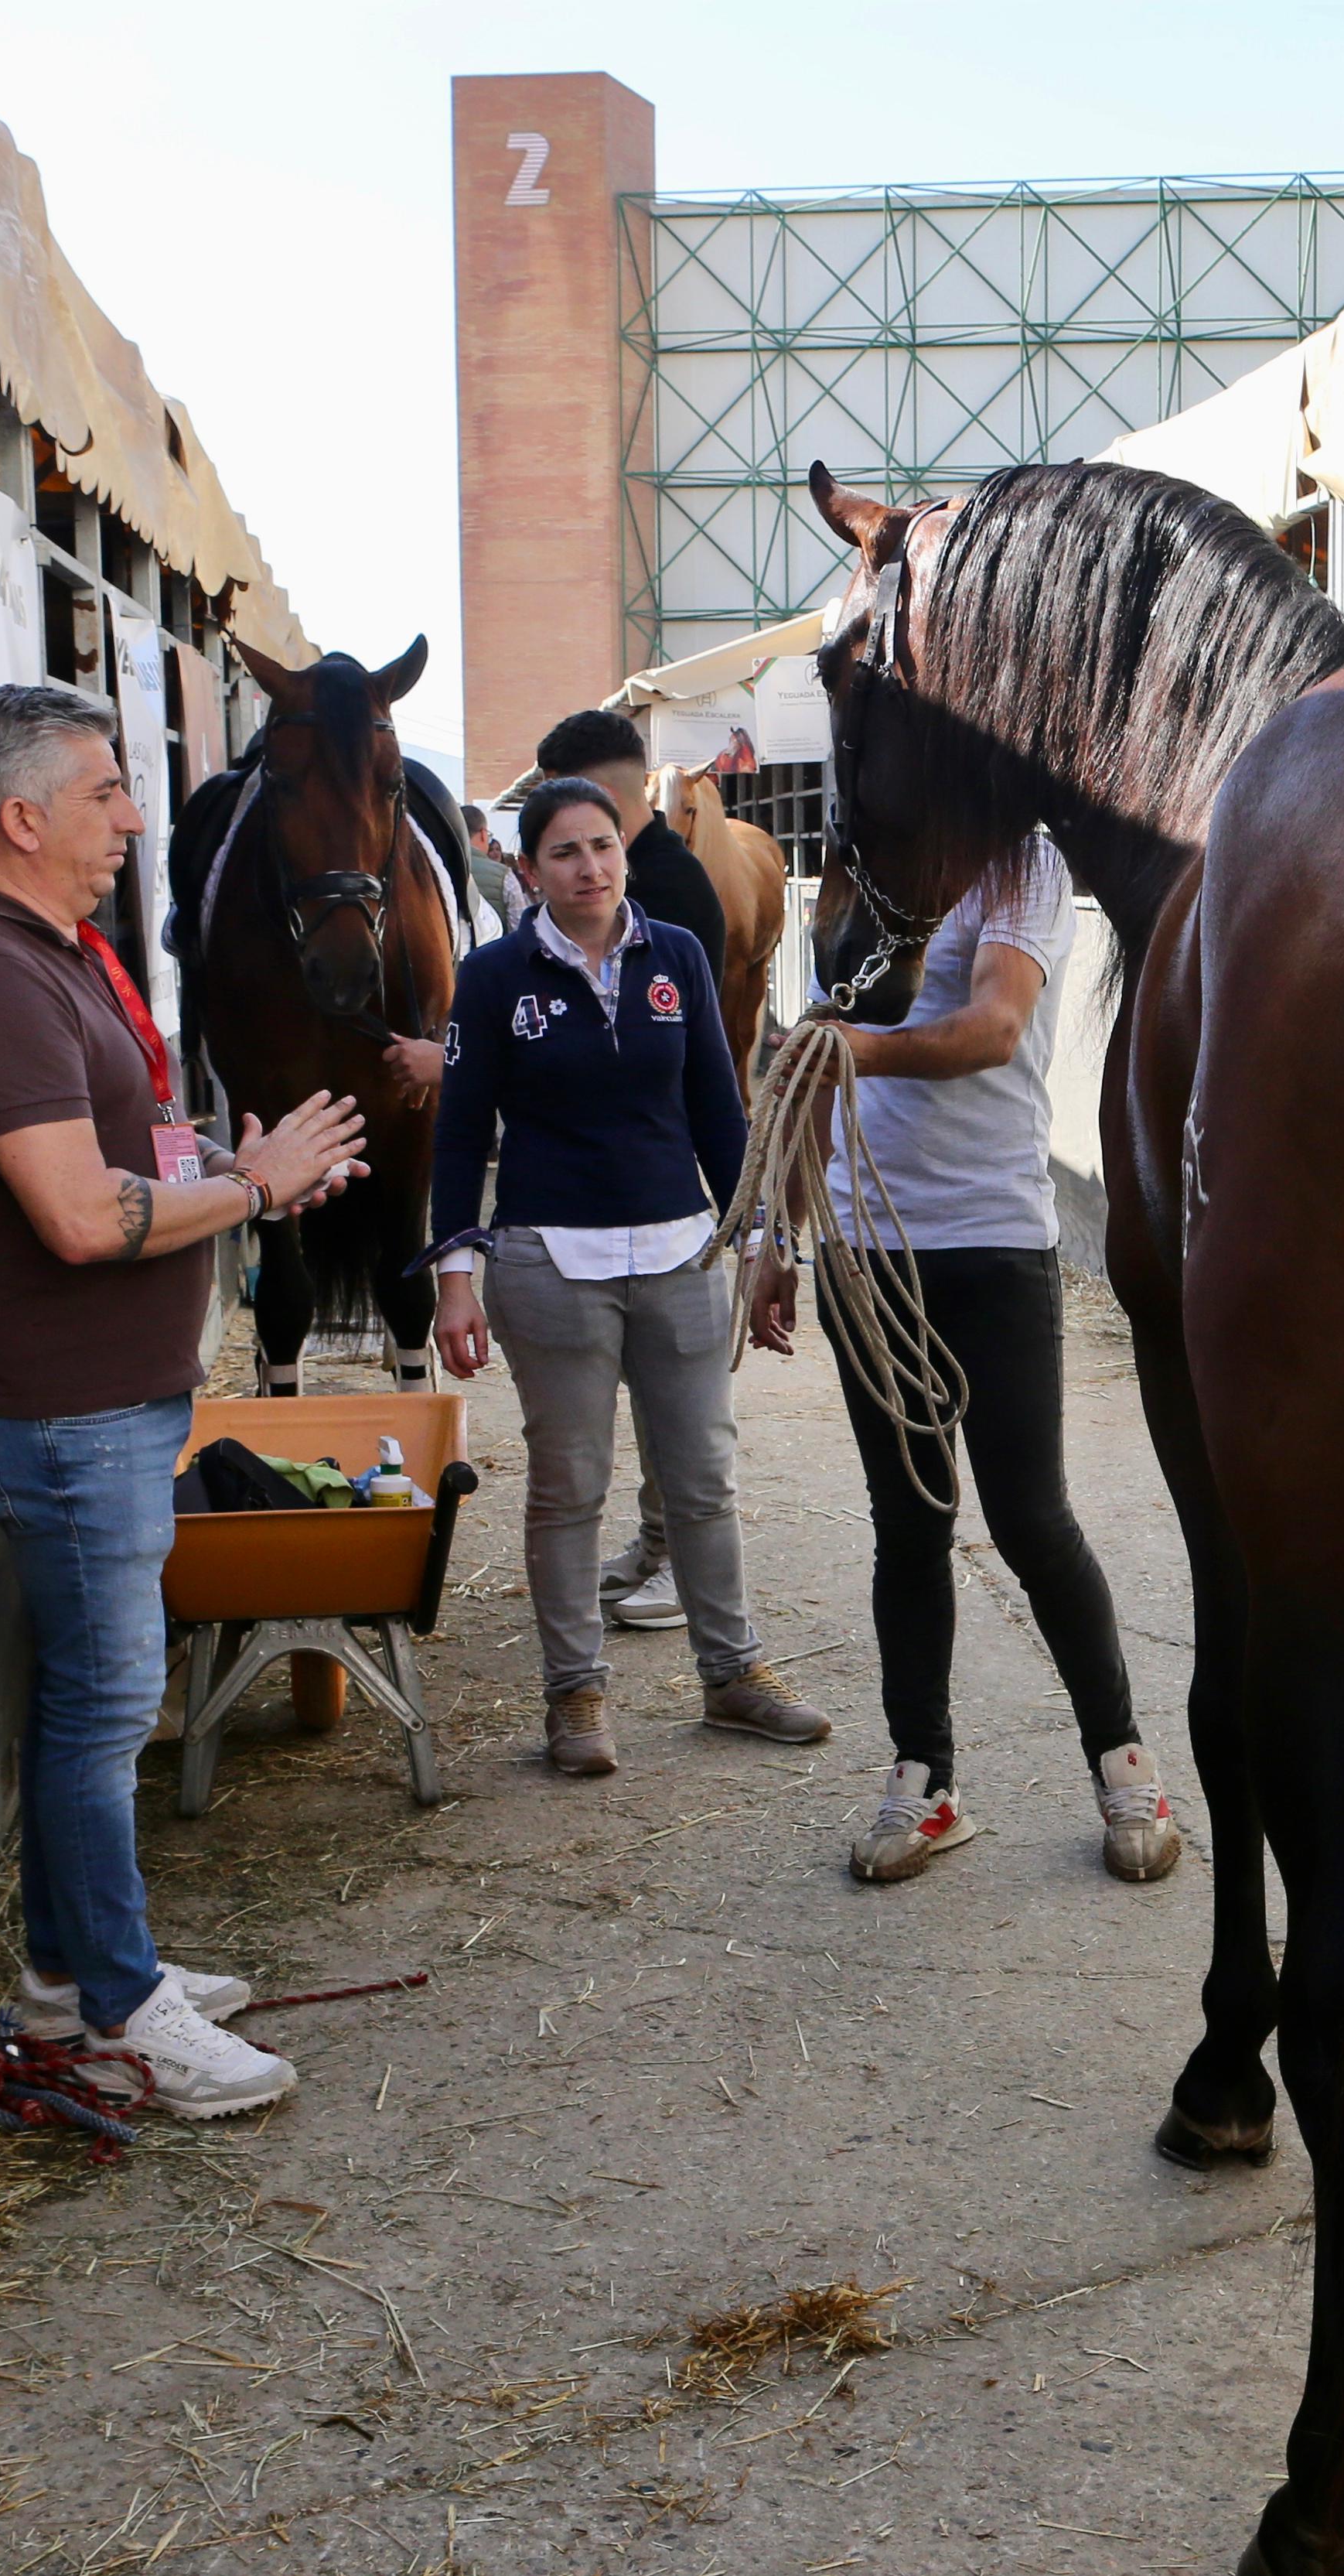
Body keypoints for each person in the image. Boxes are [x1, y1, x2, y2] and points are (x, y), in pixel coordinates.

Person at [0, 685, 370, 2119]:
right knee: (104, 1714)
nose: (134, 818)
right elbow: (82, 1216)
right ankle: (115, 2008)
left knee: (89, 1704)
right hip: (65, 1407)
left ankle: (64, 1978)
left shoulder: (53, 953)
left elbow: (122, 1149)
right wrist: (252, 1187)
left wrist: (226, 1161)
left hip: (103, 1398)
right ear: (21, 817)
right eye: (105, 792)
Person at [745, 832, 1177, 1885]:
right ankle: (924, 1777)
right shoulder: (858, 866)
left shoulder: (1020, 866)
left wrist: (857, 1051)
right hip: (868, 1252)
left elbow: (994, 1026)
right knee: (907, 1524)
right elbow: (817, 1051)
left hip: (990, 1239)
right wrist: (780, 1231)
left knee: (1032, 1520)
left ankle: (1124, 1763)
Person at [429, 774, 830, 1773]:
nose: (589, 867)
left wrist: (758, 1240)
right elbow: (460, 1134)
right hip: (549, 1263)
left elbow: (718, 1113)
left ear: (624, 851)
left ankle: (731, 1674)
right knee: (569, 1487)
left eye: (603, 845)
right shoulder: (492, 976)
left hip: (680, 1254)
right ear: (528, 871)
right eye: (564, 852)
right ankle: (574, 1696)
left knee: (702, 1478)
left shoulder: (678, 954)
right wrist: (455, 1276)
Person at [531, 708, 725, 1637]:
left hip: (661, 1187)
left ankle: (672, 1558)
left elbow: (689, 1069)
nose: (587, 865)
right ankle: (656, 1546)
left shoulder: (670, 896)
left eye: (592, 838)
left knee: (677, 1417)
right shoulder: (639, 878)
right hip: (624, 1190)